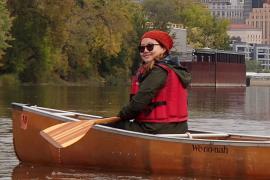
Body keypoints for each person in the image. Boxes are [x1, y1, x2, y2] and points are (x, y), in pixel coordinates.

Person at [112, 30, 191, 134]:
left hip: (155, 128)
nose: (145, 50)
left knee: (109, 126)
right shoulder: (174, 69)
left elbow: (139, 102)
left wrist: (119, 117)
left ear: (163, 48)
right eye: (141, 48)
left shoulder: (159, 71)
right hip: (179, 128)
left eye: (150, 47)